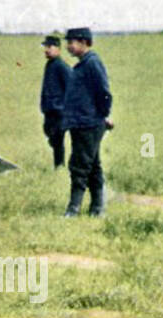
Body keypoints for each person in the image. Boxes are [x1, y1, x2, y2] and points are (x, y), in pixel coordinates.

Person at [60, 27, 113, 217]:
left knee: (79, 166)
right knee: (93, 165)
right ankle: (98, 208)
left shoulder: (92, 63)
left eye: (71, 42)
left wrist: (103, 115)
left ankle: (73, 209)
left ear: (84, 43)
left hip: (88, 123)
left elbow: (104, 93)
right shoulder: (84, 64)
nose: (68, 46)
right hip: (81, 122)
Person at [39, 34, 72, 169]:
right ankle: (59, 165)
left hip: (58, 111)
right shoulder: (50, 64)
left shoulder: (61, 66)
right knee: (51, 136)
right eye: (45, 47)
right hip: (49, 110)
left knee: (57, 139)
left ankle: (59, 166)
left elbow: (72, 86)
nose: (47, 50)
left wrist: (62, 106)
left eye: (50, 47)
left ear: (58, 48)